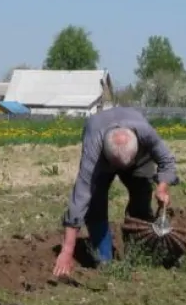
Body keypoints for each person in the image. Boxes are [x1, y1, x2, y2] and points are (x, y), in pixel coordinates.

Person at [53, 107, 178, 278]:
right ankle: (104, 260)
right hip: (103, 159)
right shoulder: (94, 145)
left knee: (141, 197)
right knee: (95, 203)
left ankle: (138, 253)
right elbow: (81, 196)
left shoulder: (146, 134)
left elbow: (167, 161)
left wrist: (162, 187)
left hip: (139, 160)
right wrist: (67, 251)